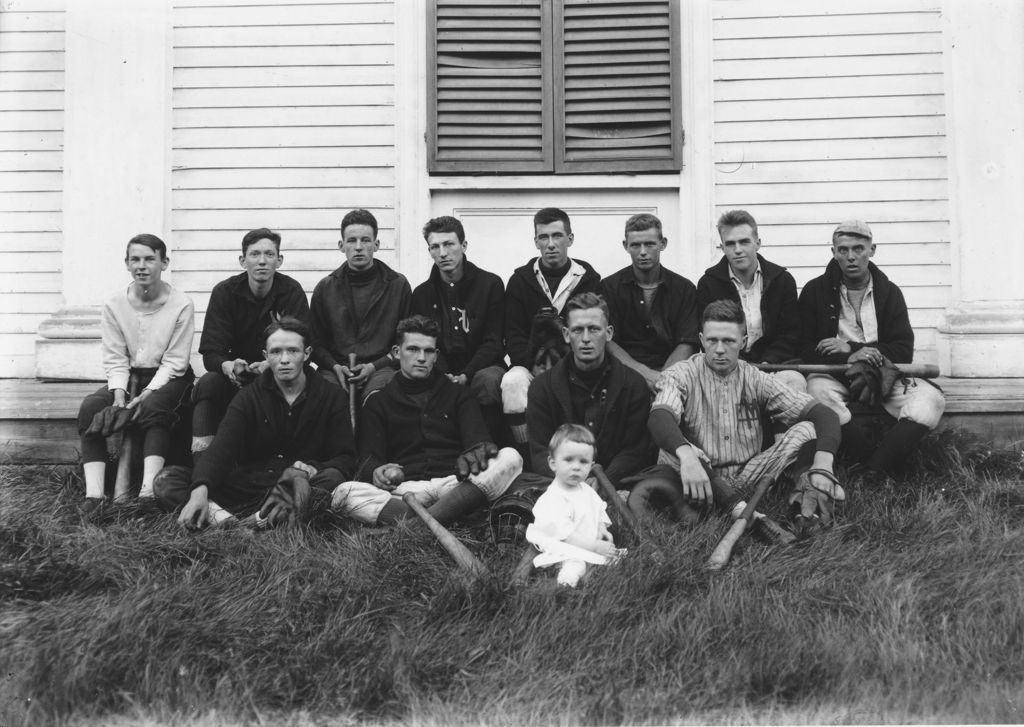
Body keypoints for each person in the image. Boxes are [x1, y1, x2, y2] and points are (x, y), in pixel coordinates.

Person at [632, 300, 844, 538]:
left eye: (729, 341)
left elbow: (823, 414)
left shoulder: (755, 377)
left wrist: (823, 464)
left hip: (749, 475)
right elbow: (659, 417)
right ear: (701, 340)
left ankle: (804, 507)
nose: (719, 349)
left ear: (743, 342)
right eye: (712, 340)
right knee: (674, 449)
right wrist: (687, 456)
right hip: (700, 475)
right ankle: (744, 513)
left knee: (807, 429)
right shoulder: (682, 373)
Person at [158, 317, 356, 529]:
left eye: (293, 351)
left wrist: (313, 469)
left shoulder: (331, 396)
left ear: (307, 354)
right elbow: (222, 448)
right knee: (168, 480)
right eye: (276, 352)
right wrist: (200, 489)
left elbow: (345, 458)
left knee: (332, 479)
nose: (284, 359)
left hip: (299, 485)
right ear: (265, 356)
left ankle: (235, 522)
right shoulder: (249, 397)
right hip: (250, 485)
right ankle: (245, 524)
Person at [330, 315, 523, 526]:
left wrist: (478, 452)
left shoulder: (458, 394)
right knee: (344, 492)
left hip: (453, 485)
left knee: (511, 457)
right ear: (396, 352)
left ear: (436, 355)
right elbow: (368, 462)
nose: (421, 357)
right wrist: (377, 472)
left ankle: (416, 525)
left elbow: (478, 444)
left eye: (428, 351)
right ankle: (451, 517)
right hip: (404, 490)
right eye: (412, 349)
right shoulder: (378, 401)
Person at [798, 220, 946, 477]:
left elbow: (903, 350)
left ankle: (874, 470)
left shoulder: (889, 292)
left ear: (872, 249)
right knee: (816, 393)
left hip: (884, 374)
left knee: (930, 400)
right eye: (843, 250)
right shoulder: (814, 291)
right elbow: (804, 347)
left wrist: (854, 348)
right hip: (836, 375)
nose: (851, 257)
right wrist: (850, 356)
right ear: (833, 252)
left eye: (859, 248)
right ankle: (868, 458)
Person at [76, 234, 195, 512]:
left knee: (153, 408)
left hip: (170, 377)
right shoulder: (114, 304)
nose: (142, 266)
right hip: (128, 378)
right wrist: (119, 395)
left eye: (149, 259)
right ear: (127, 264)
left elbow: (175, 361)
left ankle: (147, 495)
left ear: (164, 262)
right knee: (91, 407)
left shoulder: (181, 303)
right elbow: (116, 357)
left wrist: (147, 393)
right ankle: (94, 497)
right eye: (135, 260)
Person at [191, 228, 309, 461]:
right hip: (237, 376)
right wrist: (228, 366)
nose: (262, 261)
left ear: (279, 260)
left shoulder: (291, 291)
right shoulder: (224, 293)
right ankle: (201, 463)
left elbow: (305, 347)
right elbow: (211, 353)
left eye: (269, 254)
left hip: (278, 373)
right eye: (254, 254)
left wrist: (270, 365)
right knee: (208, 383)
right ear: (243, 261)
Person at [525, 292, 654, 489]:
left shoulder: (633, 384)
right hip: (560, 479)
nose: (586, 338)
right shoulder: (541, 387)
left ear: (609, 333)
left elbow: (634, 450)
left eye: (594, 329)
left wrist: (604, 480)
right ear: (567, 335)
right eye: (578, 330)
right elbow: (540, 452)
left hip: (615, 479)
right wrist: (573, 481)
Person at [501, 208, 602, 445]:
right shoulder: (520, 281)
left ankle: (580, 448)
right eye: (543, 237)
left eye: (557, 236)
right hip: (530, 364)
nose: (551, 244)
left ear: (570, 239)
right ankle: (527, 450)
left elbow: (593, 329)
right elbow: (513, 336)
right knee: (512, 381)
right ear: (535, 241)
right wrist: (531, 364)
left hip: (575, 363)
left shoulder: (587, 279)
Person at [411, 216, 506, 440]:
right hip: (440, 367)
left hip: (481, 366)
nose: (442, 253)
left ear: (463, 246)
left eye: (449, 244)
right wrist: (444, 374)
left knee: (489, 380)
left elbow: (493, 342)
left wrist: (466, 374)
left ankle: (488, 446)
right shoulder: (422, 294)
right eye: (435, 246)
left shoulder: (490, 284)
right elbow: (426, 342)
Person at [310, 208, 411, 401]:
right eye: (351, 240)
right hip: (336, 369)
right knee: (329, 400)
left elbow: (405, 341)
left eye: (365, 240)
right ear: (341, 245)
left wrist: (375, 366)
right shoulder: (325, 288)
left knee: (378, 400)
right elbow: (315, 343)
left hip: (383, 368)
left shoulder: (398, 285)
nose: (358, 247)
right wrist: (334, 367)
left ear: (376, 244)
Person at [696, 210, 803, 381]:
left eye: (744, 242)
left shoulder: (782, 280)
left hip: (776, 366)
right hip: (726, 369)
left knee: (794, 382)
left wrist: (769, 363)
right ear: (722, 247)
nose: (737, 250)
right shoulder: (709, 284)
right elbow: (709, 335)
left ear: (757, 243)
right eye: (730, 244)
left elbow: (789, 334)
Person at [601, 213, 699, 391]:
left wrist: (664, 379)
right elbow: (607, 341)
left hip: (674, 377)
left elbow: (688, 342)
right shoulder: (609, 288)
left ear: (663, 244)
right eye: (636, 245)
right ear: (626, 246)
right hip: (622, 376)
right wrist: (643, 374)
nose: (643, 252)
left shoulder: (684, 289)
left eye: (650, 244)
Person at [525, 424, 625, 587]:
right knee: (575, 564)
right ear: (553, 463)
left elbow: (598, 509)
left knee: (611, 561)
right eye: (569, 460)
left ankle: (593, 579)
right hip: (564, 544)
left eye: (583, 462)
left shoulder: (586, 489)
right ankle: (564, 587)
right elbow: (566, 535)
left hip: (587, 541)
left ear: (591, 465)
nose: (576, 467)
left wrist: (602, 529)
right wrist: (594, 546)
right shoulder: (555, 497)